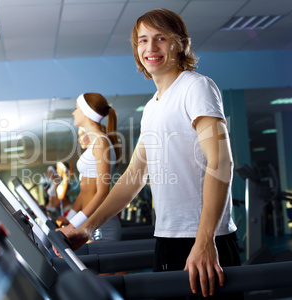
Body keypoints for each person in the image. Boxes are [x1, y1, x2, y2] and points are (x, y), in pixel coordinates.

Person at [57, 8, 241, 299]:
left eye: (160, 38)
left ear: (179, 44)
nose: (151, 48)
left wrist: (205, 240)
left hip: (206, 241)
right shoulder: (152, 107)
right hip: (167, 238)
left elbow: (220, 162)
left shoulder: (196, 88)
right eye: (143, 40)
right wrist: (87, 227)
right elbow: (134, 177)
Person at [56, 93, 122, 242]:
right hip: (91, 222)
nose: (73, 112)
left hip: (101, 225)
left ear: (86, 112)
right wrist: (71, 218)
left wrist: (72, 226)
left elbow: (102, 193)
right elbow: (85, 189)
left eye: (76, 108)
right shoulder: (96, 143)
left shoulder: (101, 142)